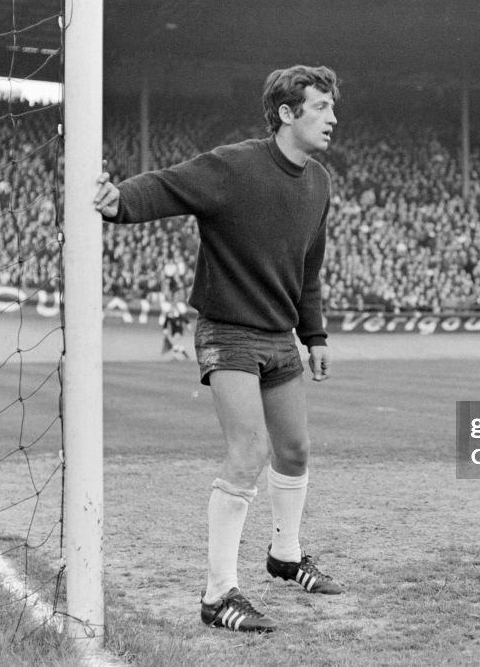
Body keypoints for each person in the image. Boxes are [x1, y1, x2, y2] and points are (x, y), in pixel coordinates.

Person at [94, 65, 342, 633]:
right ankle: (218, 595)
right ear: (287, 113)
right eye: (321, 107)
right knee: (249, 449)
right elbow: (169, 185)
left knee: (296, 450)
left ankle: (285, 556)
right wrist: (119, 203)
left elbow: (309, 271)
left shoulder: (320, 183)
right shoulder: (236, 165)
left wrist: (316, 336)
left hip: (280, 336)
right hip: (227, 329)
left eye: (332, 108)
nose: (332, 119)